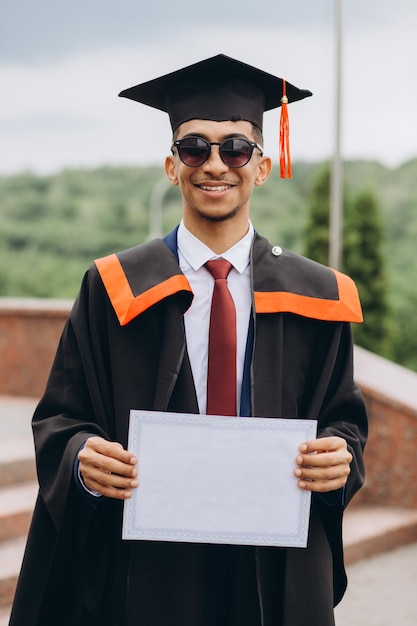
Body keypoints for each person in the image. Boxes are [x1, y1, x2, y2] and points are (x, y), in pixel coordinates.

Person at [9, 54, 367, 626]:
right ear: (172, 167)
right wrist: (82, 460)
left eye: (236, 148)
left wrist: (339, 460)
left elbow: (344, 422)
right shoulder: (113, 287)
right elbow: (60, 420)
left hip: (271, 562)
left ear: (263, 166)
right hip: (150, 564)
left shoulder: (317, 296)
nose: (215, 164)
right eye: (195, 147)